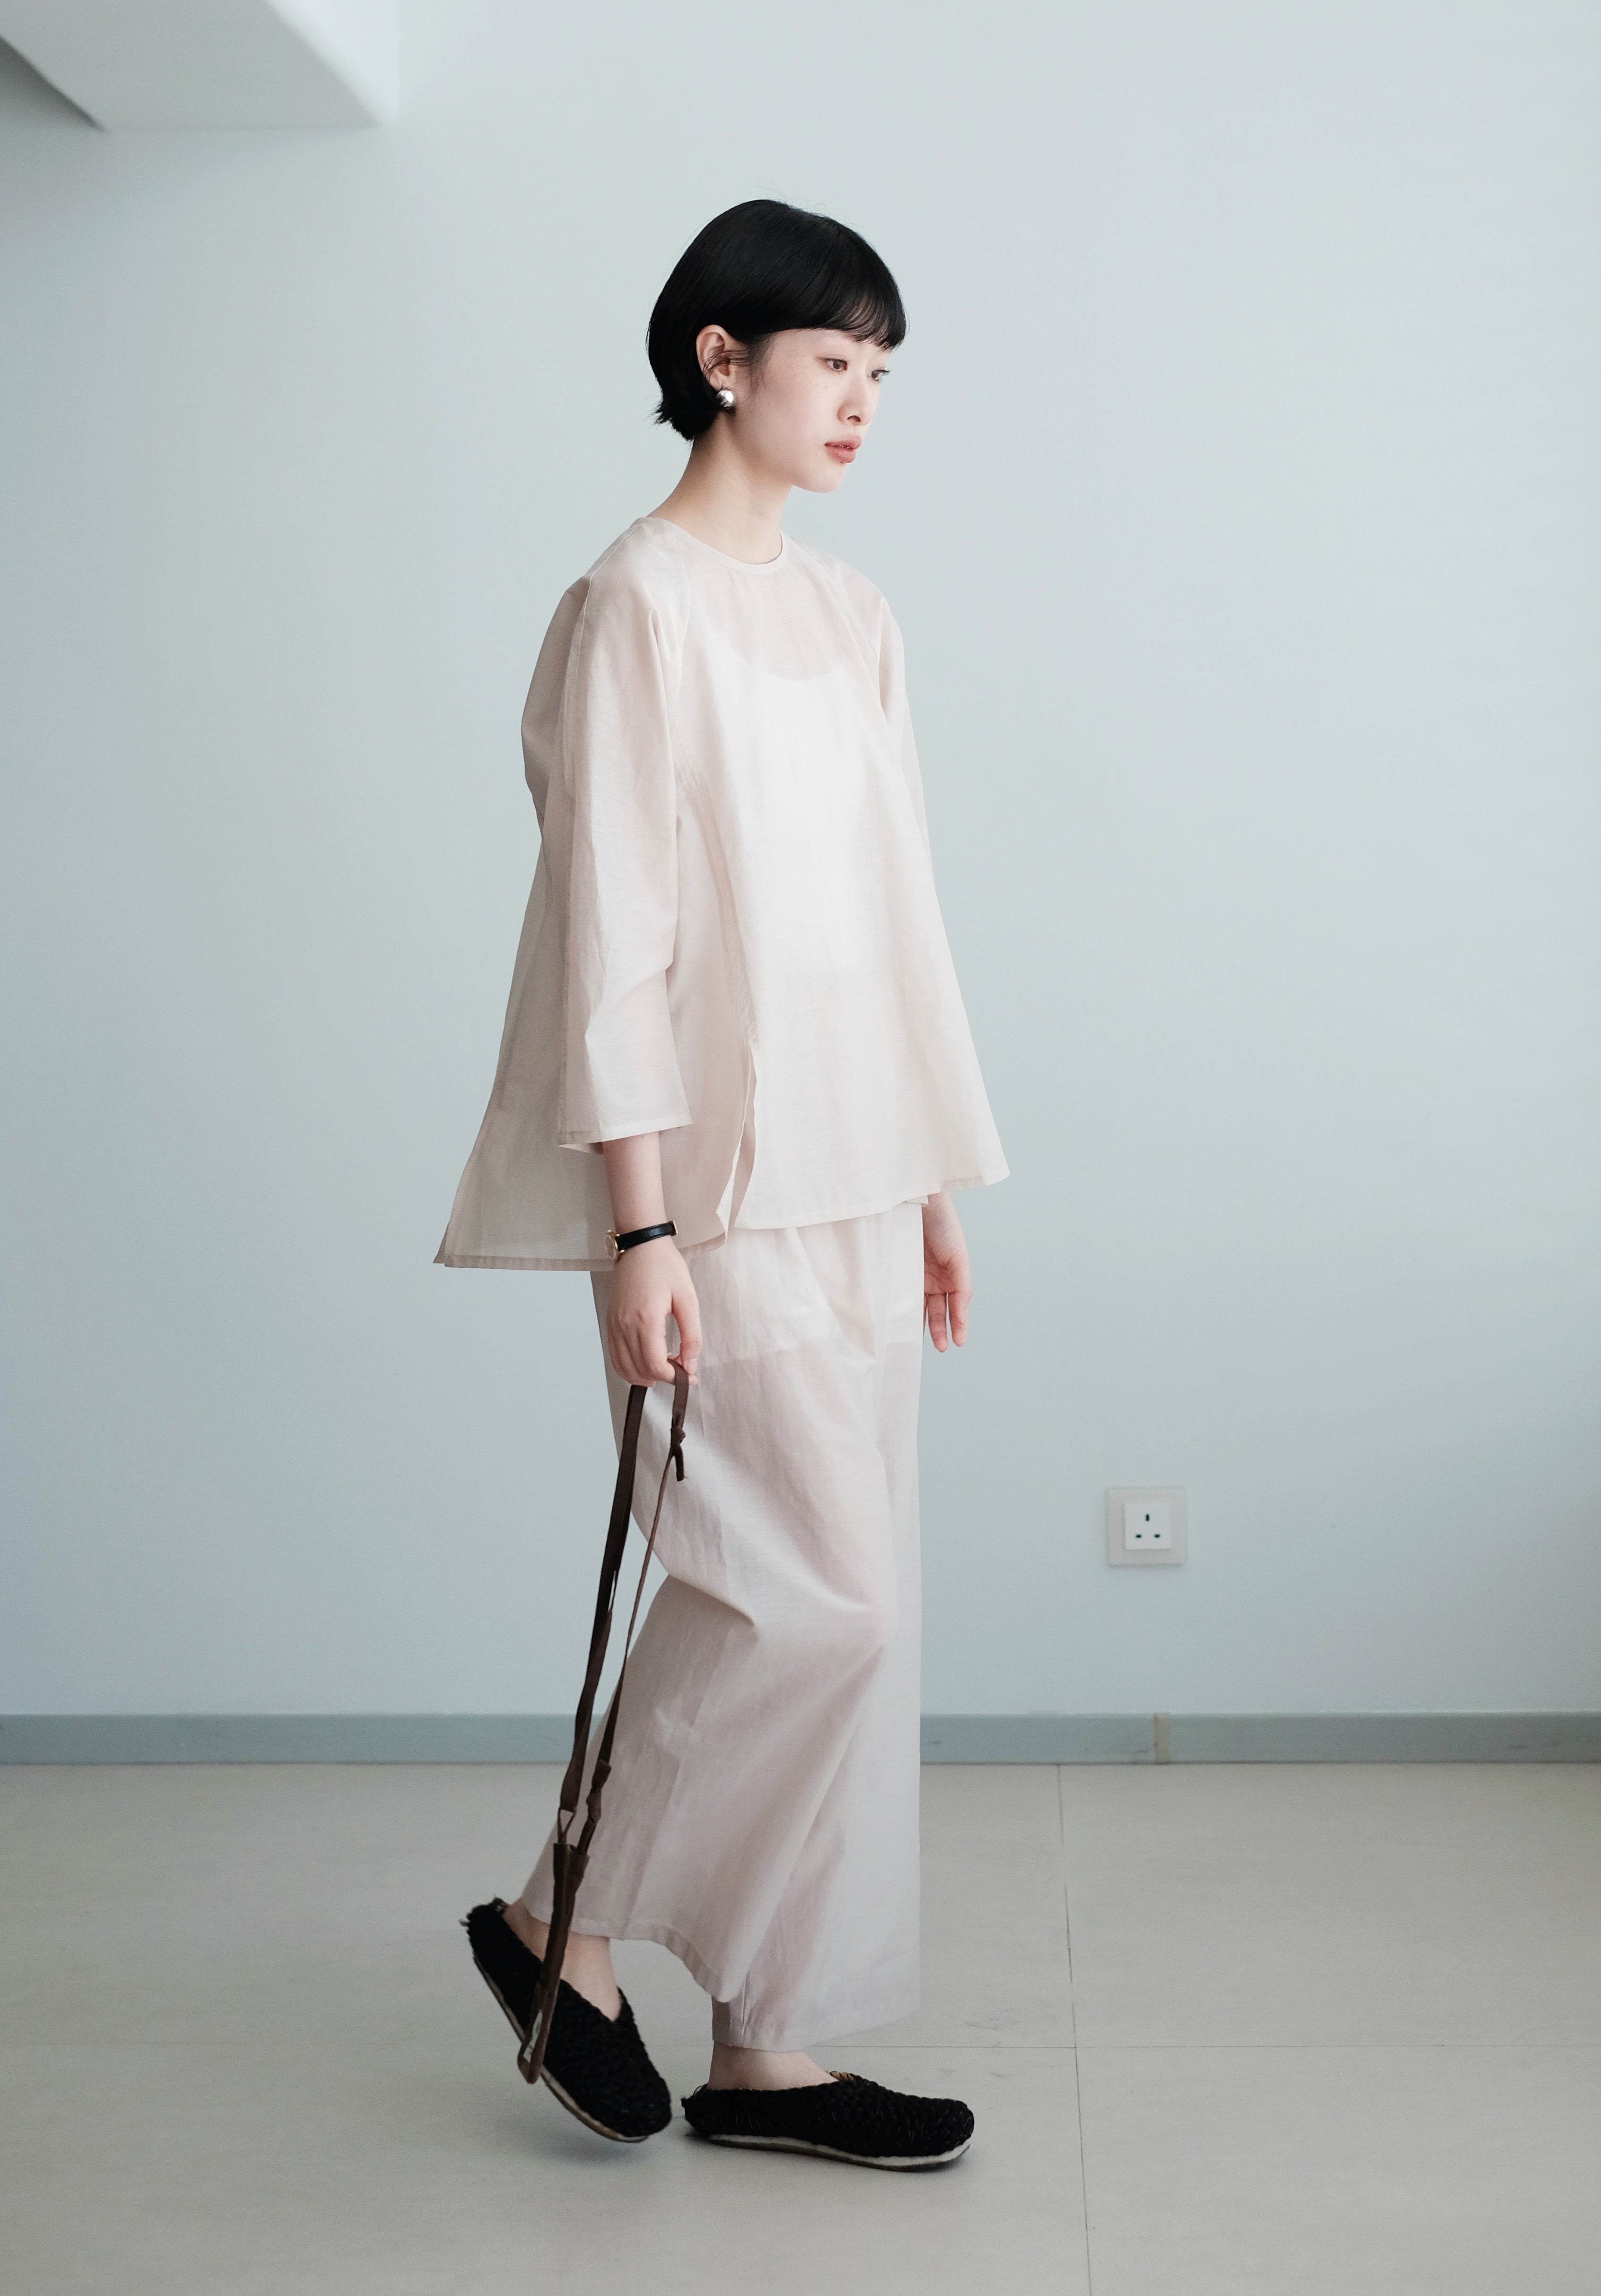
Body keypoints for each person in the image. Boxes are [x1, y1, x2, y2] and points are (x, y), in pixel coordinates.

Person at [435, 199, 1007, 2169]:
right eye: (835, 361)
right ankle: (561, 1916)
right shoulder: (635, 608)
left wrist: (932, 1178)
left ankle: (776, 2044)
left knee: (869, 1615)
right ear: (722, 359)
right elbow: (613, 939)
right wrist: (640, 1223)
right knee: (791, 1595)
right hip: (717, 1188)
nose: (862, 403)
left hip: (861, 1170)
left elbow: (897, 922)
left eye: (880, 373)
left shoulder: (852, 617)